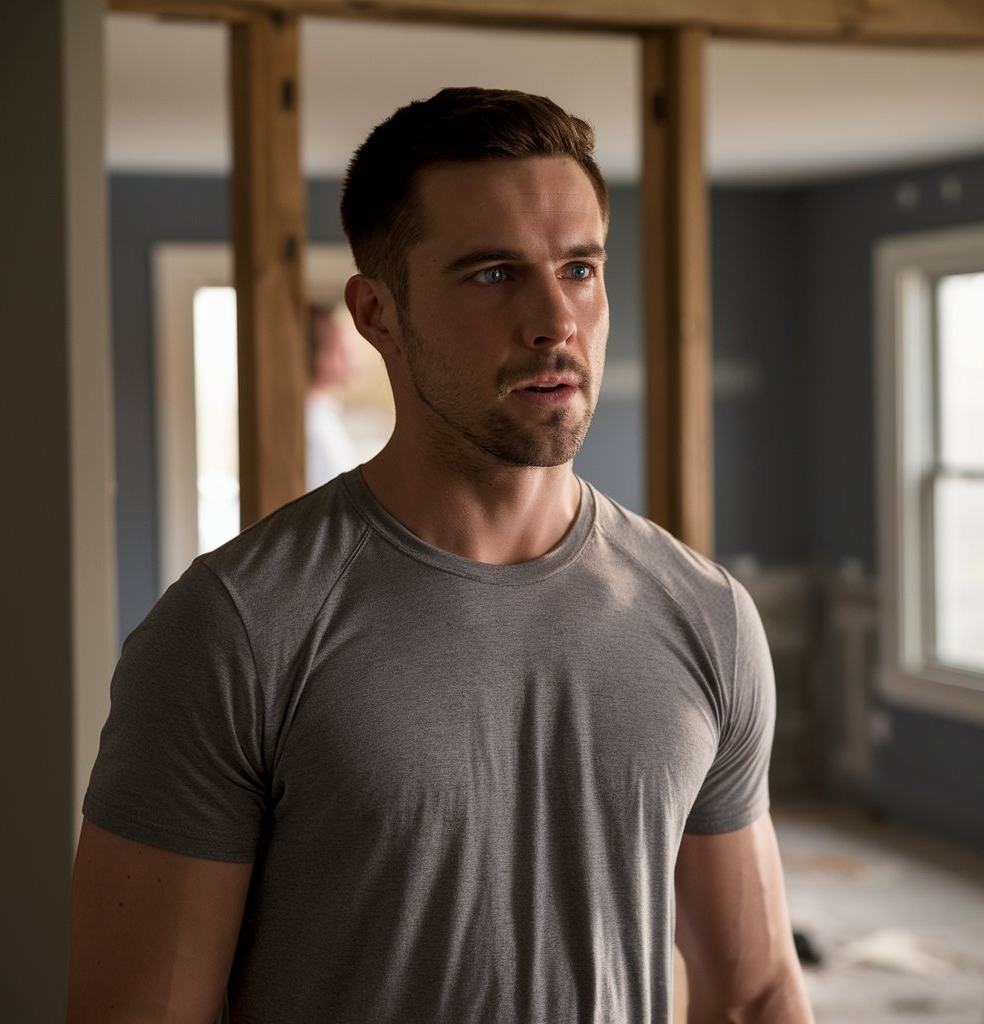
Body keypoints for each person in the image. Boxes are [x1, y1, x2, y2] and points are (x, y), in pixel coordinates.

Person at [68, 87, 814, 1024]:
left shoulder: (705, 614)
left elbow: (753, 995)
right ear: (376, 313)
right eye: (495, 274)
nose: (556, 320)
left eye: (580, 267)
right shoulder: (237, 629)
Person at [305, 303, 361, 490]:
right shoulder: (316, 423)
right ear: (319, 357)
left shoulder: (320, 417)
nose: (350, 358)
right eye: (340, 350)